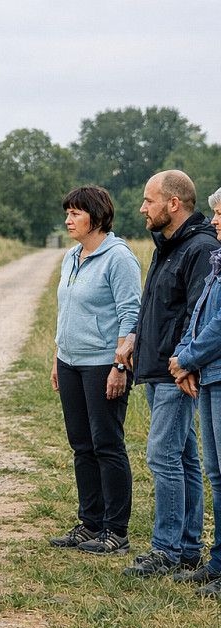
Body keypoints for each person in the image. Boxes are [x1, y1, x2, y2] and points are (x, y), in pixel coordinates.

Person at [119, 171, 219, 578]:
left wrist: (184, 363)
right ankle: (188, 547)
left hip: (177, 372)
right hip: (160, 366)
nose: (143, 207)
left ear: (173, 204)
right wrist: (135, 339)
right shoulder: (169, 245)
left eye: (149, 200)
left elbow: (198, 315)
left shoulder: (198, 247)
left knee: (163, 455)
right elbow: (159, 307)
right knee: (182, 457)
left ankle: (167, 549)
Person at [50, 185, 140, 554]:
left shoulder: (118, 257)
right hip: (70, 362)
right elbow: (65, 310)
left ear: (97, 216)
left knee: (107, 444)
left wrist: (120, 365)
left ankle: (115, 531)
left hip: (104, 363)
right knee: (81, 445)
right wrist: (58, 356)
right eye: (67, 212)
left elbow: (130, 315)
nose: (68, 219)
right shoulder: (71, 255)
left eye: (76, 213)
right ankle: (90, 523)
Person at [169, 188, 221, 593]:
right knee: (215, 473)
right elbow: (198, 314)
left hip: (216, 372)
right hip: (210, 374)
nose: (215, 219)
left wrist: (186, 359)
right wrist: (184, 353)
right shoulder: (219, 263)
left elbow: (218, 328)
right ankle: (217, 561)